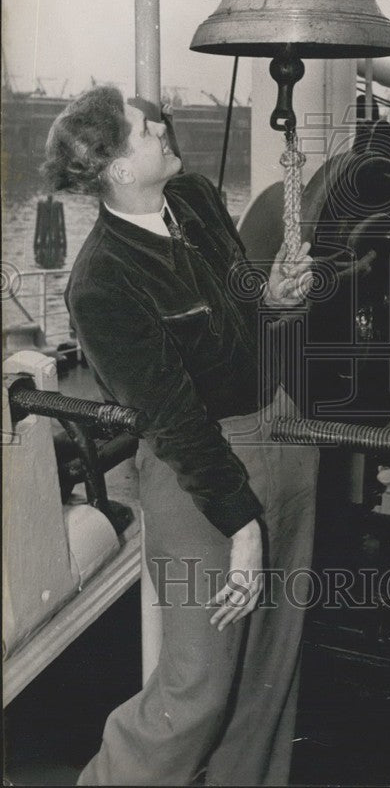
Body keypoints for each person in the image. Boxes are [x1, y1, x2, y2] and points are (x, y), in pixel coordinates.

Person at [43, 86, 318, 786]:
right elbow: (173, 421)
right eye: (145, 130)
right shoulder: (102, 283)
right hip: (201, 477)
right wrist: (242, 528)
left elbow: (233, 297)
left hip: (281, 432)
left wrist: (270, 296)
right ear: (117, 168)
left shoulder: (191, 198)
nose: (162, 127)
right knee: (197, 688)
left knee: (265, 675)